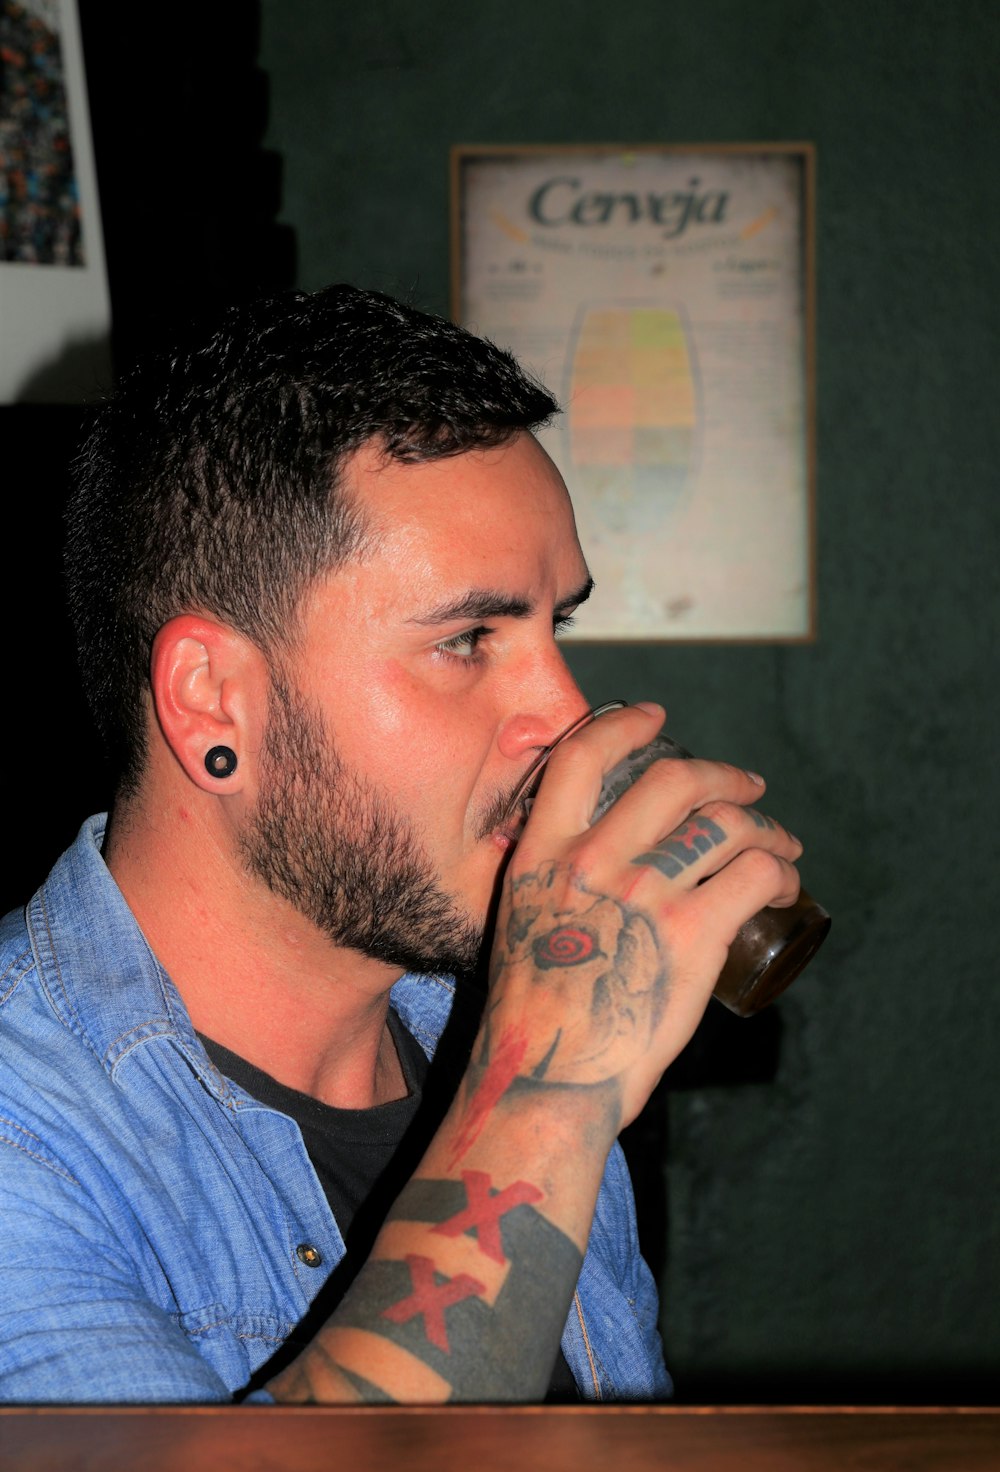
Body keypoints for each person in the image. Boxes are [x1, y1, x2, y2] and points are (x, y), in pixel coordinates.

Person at [0, 286, 801, 1403]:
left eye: (551, 626)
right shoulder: (27, 1136)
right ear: (215, 703)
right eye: (468, 639)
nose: (567, 714)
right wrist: (546, 1097)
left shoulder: (493, 1032)